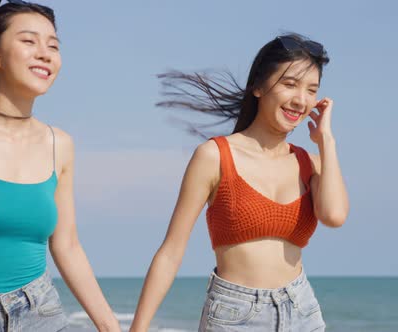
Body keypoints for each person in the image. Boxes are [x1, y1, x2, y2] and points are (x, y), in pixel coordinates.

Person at [129, 33, 349, 331]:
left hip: (302, 310)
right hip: (236, 315)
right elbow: (171, 251)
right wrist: (138, 327)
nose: (301, 100)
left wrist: (327, 141)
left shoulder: (312, 163)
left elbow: (334, 216)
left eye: (312, 90)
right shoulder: (214, 156)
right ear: (258, 86)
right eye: (289, 84)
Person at [0, 1, 120, 331]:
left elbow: (67, 244)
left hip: (38, 310)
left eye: (53, 45)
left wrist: (110, 325)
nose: (45, 53)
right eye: (29, 41)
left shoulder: (61, 145)